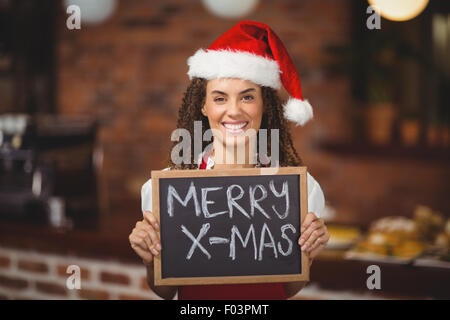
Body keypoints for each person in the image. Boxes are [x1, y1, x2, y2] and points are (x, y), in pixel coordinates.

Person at [129, 21, 330, 300]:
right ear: (204, 106)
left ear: (264, 104)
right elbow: (165, 290)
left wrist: (306, 256)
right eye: (220, 98)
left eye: (247, 97)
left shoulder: (300, 190)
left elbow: (287, 288)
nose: (233, 111)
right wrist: (150, 261)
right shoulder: (169, 190)